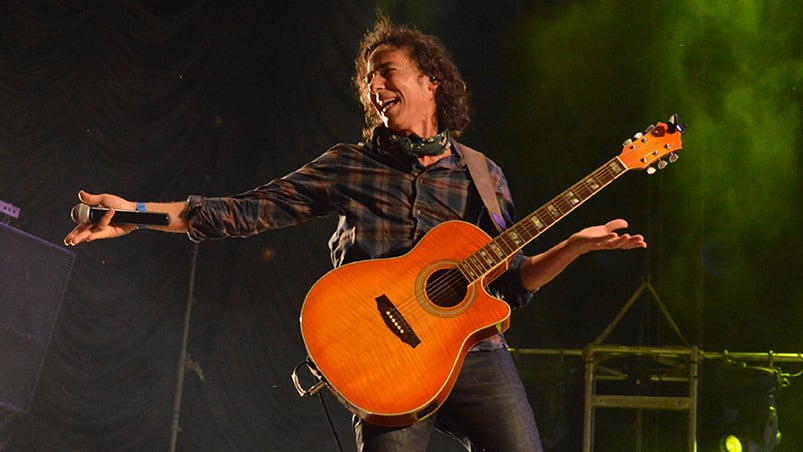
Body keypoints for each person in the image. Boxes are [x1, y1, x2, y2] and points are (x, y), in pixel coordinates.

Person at [64, 17, 646, 452]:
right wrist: (134, 213)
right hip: (383, 359)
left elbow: (508, 286)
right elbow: (246, 212)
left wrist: (574, 246)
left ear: (430, 81)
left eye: (386, 73)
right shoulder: (350, 164)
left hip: (474, 357)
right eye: (368, 81)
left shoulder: (483, 175)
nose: (374, 88)